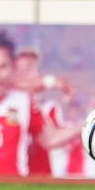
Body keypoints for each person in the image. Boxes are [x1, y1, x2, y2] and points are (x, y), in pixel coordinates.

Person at [0, 31, 80, 176]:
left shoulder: (26, 103)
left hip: (15, 187)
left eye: (3, 67)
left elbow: (48, 139)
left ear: (11, 69)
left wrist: (85, 127)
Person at [13, 47, 74, 177]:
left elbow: (53, 140)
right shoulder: (5, 105)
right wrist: (53, 82)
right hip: (14, 175)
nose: (25, 75)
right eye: (19, 70)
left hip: (42, 176)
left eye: (29, 69)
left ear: (38, 73)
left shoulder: (49, 107)